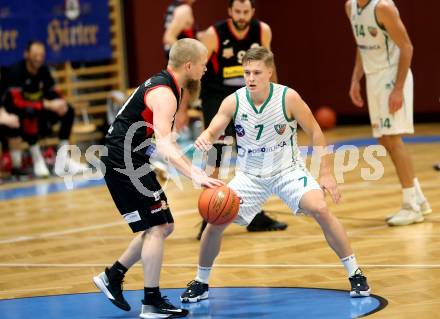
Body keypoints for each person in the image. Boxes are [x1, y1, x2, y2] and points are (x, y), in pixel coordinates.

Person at [180, 47, 370, 303]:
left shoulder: (288, 98)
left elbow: (315, 131)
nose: (251, 78)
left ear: (269, 72)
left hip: (287, 171)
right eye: (247, 72)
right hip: (250, 176)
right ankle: (201, 282)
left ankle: (355, 272)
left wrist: (326, 173)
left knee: (321, 209)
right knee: (214, 223)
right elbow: (215, 128)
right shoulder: (234, 100)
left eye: (257, 72)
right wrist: (205, 136)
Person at [93, 38, 224, 319]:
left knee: (163, 225)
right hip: (123, 160)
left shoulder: (166, 85)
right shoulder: (165, 93)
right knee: (156, 227)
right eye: (202, 64)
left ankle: (112, 276)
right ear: (189, 65)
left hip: (132, 159)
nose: (205, 69)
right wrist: (195, 174)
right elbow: (165, 144)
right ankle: (151, 302)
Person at [196, 0, 286, 239]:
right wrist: (188, 106)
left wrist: (275, 95)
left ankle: (254, 214)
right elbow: (197, 71)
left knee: (256, 154)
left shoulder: (262, 30)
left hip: (251, 95)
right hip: (218, 96)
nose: (242, 16)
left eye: (246, 12)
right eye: (238, 11)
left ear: (252, 12)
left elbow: (269, 65)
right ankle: (208, 214)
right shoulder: (214, 34)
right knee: (217, 155)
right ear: (230, 12)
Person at [345, 0, 431, 226]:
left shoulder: (383, 7)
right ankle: (418, 198)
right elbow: (361, 46)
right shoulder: (350, 7)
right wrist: (356, 79)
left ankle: (410, 206)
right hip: (373, 77)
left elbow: (407, 47)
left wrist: (399, 88)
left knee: (393, 139)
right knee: (384, 139)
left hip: (391, 77)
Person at [1, 40, 88, 178]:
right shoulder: (16, 72)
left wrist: (61, 103)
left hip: (40, 115)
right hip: (17, 117)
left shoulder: (44, 70)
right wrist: (47, 105)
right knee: (30, 112)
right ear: (27, 54)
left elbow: (54, 92)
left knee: (68, 110)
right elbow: (18, 102)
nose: (39, 58)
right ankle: (37, 160)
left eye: (41, 55)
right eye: (35, 54)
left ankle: (63, 158)